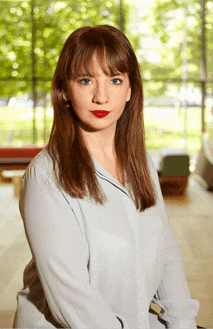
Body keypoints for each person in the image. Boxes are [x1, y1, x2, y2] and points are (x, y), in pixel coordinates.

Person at [13, 25, 199, 329]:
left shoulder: (141, 163)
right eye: (86, 80)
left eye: (115, 80)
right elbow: (72, 300)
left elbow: (165, 253)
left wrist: (183, 324)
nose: (101, 96)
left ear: (130, 90)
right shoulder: (46, 176)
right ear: (65, 91)